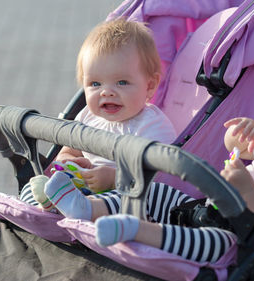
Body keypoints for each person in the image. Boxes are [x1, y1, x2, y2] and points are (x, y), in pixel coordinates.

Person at [43, 55, 254, 263]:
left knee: (208, 247)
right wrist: (244, 134)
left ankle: (133, 229)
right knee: (156, 192)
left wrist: (245, 188)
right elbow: (236, 147)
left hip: (239, 232)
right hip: (208, 204)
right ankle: (86, 207)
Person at [19, 19, 177, 208]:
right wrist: (69, 161)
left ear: (149, 86)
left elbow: (160, 179)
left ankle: (64, 207)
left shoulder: (151, 126)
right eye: (95, 84)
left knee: (115, 200)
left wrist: (113, 179)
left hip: (128, 202)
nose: (106, 92)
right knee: (33, 186)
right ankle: (41, 206)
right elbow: (69, 150)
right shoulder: (88, 116)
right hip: (84, 191)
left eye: (122, 82)